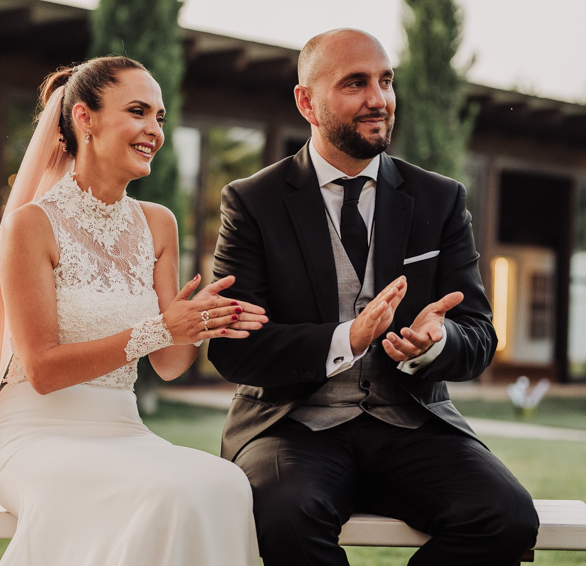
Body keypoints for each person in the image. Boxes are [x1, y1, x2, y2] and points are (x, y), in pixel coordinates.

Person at [0, 56, 264, 566]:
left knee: (226, 483)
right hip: (35, 434)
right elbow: (43, 371)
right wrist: (159, 329)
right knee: (164, 495)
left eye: (160, 117)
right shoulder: (31, 226)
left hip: (123, 429)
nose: (154, 130)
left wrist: (198, 323)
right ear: (84, 119)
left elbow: (169, 364)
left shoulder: (158, 223)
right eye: (138, 111)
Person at [208, 28, 539, 566]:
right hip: (292, 425)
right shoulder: (252, 202)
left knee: (507, 517)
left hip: (411, 422)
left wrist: (437, 343)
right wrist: (345, 339)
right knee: (286, 514)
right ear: (306, 102)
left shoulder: (440, 198)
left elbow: (479, 334)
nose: (379, 98)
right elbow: (233, 348)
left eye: (386, 81)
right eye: (355, 83)